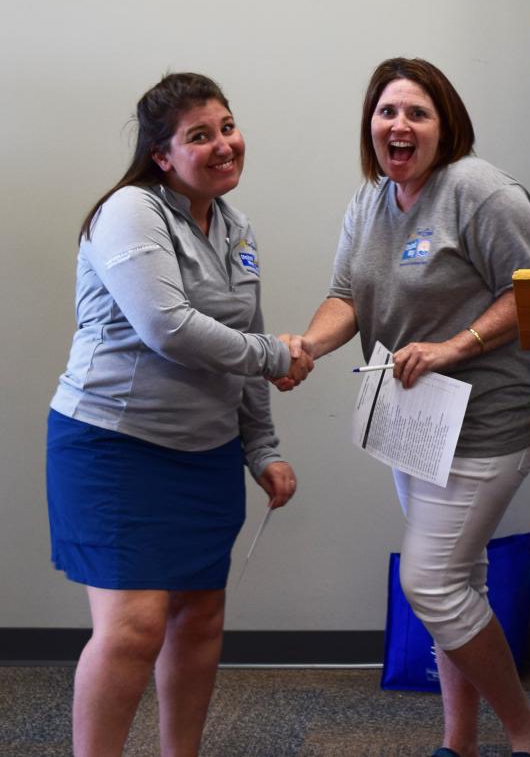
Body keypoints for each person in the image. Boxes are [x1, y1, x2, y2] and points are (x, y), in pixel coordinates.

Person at [277, 57, 530, 757]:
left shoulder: (478, 192)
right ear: (370, 126)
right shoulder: (370, 201)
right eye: (386, 112)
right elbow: (348, 295)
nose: (398, 125)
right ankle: (458, 743)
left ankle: (528, 730)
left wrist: (456, 344)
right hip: (415, 415)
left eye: (416, 113)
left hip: (490, 416)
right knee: (460, 580)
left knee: (430, 582)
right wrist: (308, 343)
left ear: (445, 125)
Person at [47, 73, 312, 757]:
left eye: (227, 126)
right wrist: (272, 354)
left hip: (205, 453)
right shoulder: (132, 211)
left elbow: (242, 348)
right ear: (162, 155)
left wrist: (264, 449)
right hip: (115, 445)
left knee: (199, 617)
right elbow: (170, 326)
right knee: (135, 626)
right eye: (201, 136)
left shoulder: (235, 225)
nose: (224, 144)